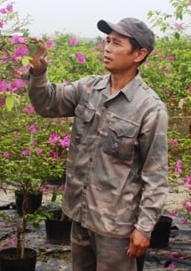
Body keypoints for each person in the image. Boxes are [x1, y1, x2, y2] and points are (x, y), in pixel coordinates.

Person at [28, 17, 169, 271]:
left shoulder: (149, 108)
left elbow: (155, 174)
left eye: (116, 43)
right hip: (81, 214)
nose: (107, 47)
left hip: (117, 227)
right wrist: (39, 71)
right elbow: (47, 103)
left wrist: (144, 227)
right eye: (107, 40)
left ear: (139, 54)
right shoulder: (89, 88)